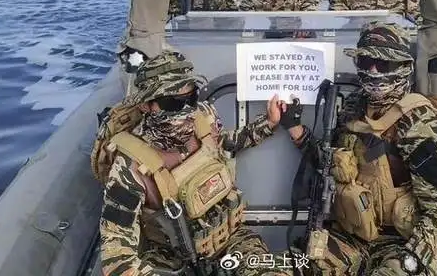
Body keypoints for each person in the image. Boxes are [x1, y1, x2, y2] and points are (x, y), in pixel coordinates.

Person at [277, 22, 437, 276]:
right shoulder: (354, 108)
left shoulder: (419, 124)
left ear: (403, 67)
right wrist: (295, 128)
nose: (373, 71)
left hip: (402, 243)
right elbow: (330, 162)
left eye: (383, 65)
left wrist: (413, 258)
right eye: (365, 62)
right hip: (351, 237)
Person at [96, 50, 293, 276]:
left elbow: (223, 143)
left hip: (232, 241)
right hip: (172, 259)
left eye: (191, 98)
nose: (187, 111)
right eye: (172, 102)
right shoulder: (129, 167)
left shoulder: (203, 118)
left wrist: (269, 123)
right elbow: (117, 258)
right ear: (146, 106)